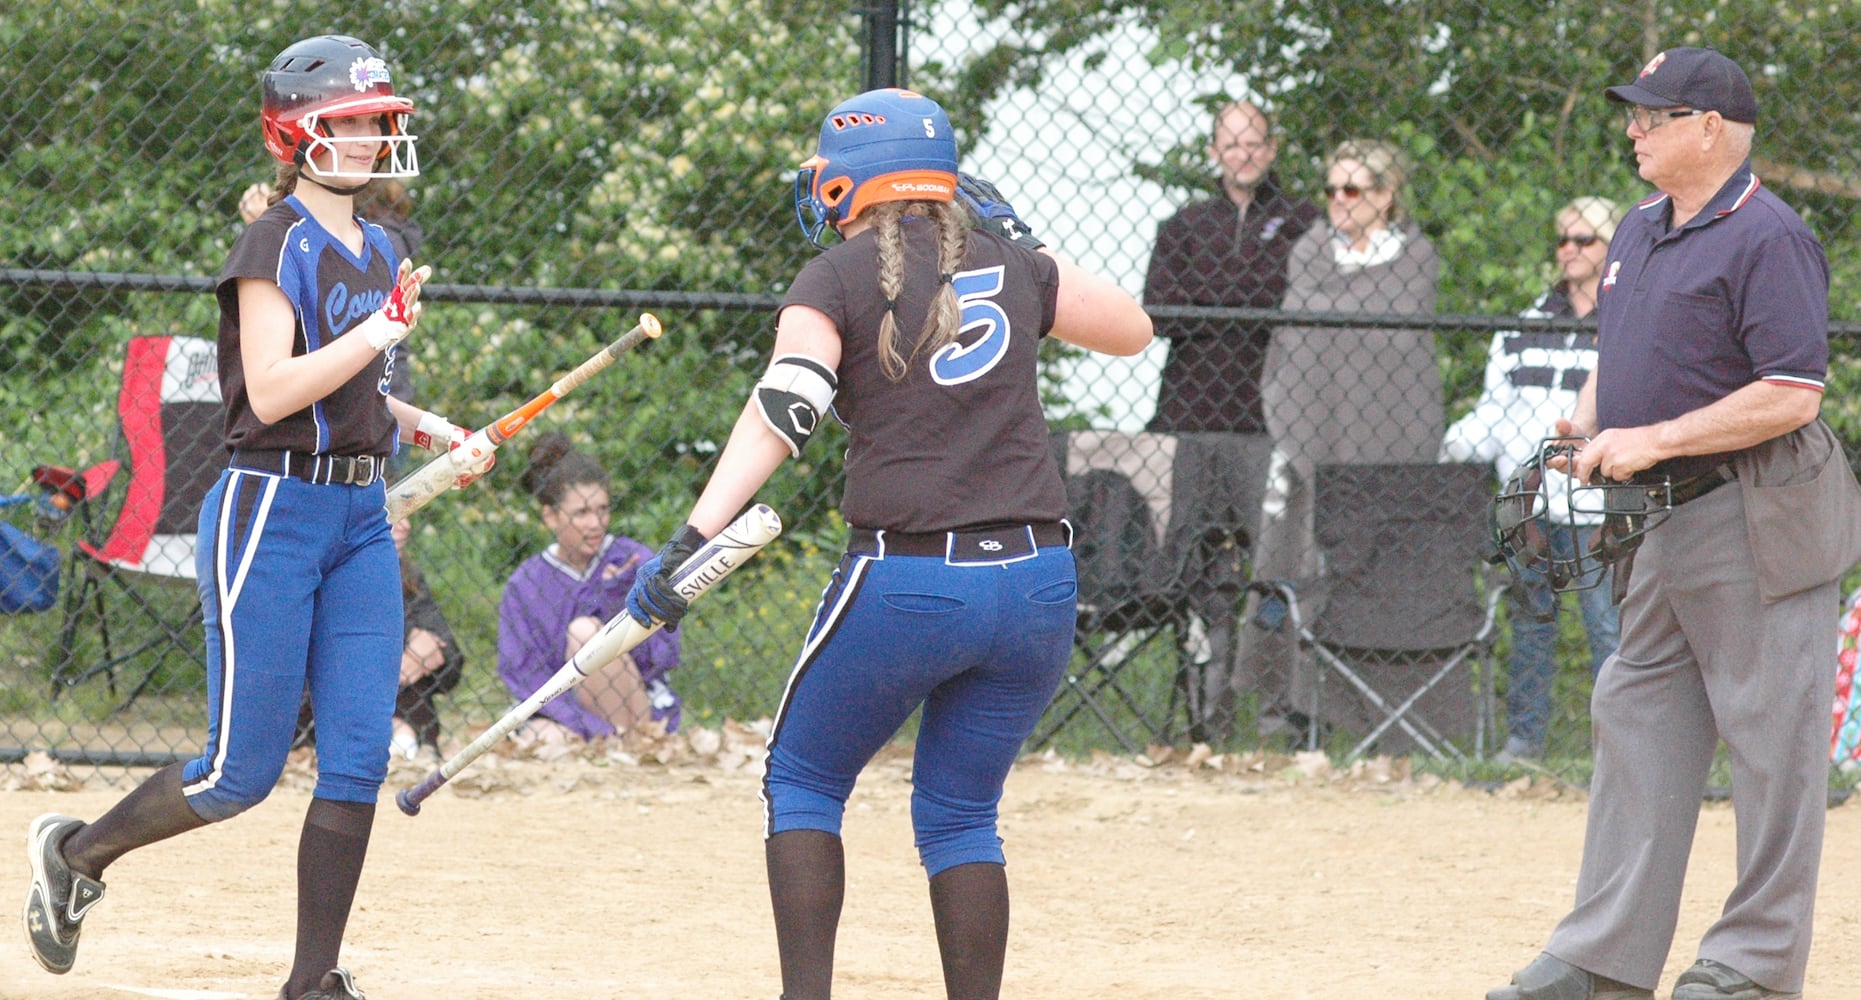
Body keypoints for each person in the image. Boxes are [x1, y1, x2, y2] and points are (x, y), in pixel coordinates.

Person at [622, 88, 1152, 1000]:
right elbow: (1133, 331)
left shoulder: (833, 278)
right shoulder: (1016, 265)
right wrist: (1025, 251)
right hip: (1037, 584)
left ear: (852, 178)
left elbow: (784, 415)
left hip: (912, 580)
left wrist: (696, 532)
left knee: (802, 780)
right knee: (959, 816)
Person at [22, 35, 488, 1000]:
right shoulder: (271, 242)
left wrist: (437, 429)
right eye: (347, 121)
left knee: (357, 756)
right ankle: (77, 854)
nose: (369, 136)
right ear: (296, 133)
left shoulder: (388, 246)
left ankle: (311, 981)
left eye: (376, 120)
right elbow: (273, 393)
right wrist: (377, 331)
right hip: (270, 508)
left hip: (359, 513)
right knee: (240, 773)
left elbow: (365, 391)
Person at [1489, 46, 1860, 1000]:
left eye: (1652, 115)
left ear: (1709, 129)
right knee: (1636, 720)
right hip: (1657, 514)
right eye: (1631, 113)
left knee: (1770, 746)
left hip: (1756, 510)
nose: (1633, 128)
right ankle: (1601, 957)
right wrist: (1584, 421)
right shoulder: (1638, 227)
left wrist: (1650, 437)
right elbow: (1619, 349)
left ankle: (1752, 964)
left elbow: (1789, 393)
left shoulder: (1767, 235)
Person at [1244, 136, 1441, 742]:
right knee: (1293, 555)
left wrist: (1334, 320)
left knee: (1374, 566)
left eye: (1352, 189)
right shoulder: (1307, 250)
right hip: (1311, 434)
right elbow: (1297, 339)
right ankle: (1290, 707)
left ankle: (1372, 708)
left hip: (1387, 439)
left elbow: (1395, 338)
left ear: (1385, 196)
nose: (1337, 201)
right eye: (1330, 189)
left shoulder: (1415, 255)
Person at [1441, 197, 1626, 763]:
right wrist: (1447, 446)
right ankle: (1524, 742)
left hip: (1596, 503)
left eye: (1584, 240)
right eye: (1563, 240)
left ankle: (1615, 750)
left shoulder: (1625, 324)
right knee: (1532, 623)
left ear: (1610, 248)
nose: (1570, 249)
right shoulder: (1524, 328)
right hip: (1530, 504)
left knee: (1608, 630)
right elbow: (1494, 412)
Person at [1143, 100, 1321, 435]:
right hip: (1188, 409)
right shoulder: (1183, 225)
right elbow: (1159, 311)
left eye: (1252, 144)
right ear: (1214, 151)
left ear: (1271, 149)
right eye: (1231, 145)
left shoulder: (1305, 220)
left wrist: (1199, 299)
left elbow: (1298, 299)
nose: (1243, 155)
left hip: (1277, 406)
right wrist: (1253, 298)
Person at [498, 431, 680, 748]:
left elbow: (662, 656)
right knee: (546, 740)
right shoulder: (525, 584)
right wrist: (583, 726)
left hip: (636, 706)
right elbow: (525, 677)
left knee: (585, 632)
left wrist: (614, 598)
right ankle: (599, 744)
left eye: (603, 509)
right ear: (551, 516)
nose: (596, 523)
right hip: (565, 712)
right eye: (582, 513)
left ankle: (620, 747)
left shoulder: (634, 560)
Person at [293, 513, 465, 762]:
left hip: (401, 707)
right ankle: (398, 741)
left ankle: (404, 742)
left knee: (408, 687)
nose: (405, 525)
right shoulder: (321, 573)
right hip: (323, 714)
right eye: (396, 512)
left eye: (409, 515)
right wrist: (406, 657)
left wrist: (415, 659)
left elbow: (452, 662)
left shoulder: (407, 575)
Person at [242, 177, 422, 403]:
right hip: (356, 402)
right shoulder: (279, 236)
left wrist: (431, 429)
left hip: (376, 398)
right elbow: (270, 393)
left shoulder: (377, 240)